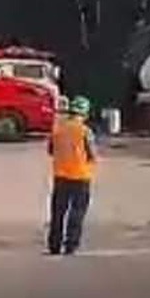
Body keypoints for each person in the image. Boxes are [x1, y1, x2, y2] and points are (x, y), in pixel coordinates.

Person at [47, 95, 96, 256]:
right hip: (81, 176)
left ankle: (54, 245)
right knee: (77, 212)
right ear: (85, 113)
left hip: (60, 175)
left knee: (58, 212)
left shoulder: (58, 129)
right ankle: (71, 245)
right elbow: (92, 154)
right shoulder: (85, 131)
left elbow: (50, 150)